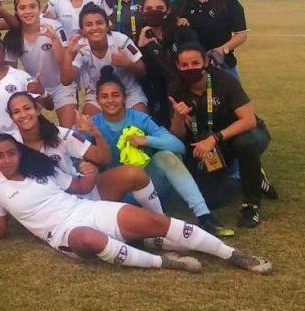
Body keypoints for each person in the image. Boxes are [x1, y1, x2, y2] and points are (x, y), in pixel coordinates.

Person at [0, 134, 271, 274]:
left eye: (10, 153)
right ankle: (165, 262)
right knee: (89, 239)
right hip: (62, 233)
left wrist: (92, 171)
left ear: (18, 153)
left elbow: (79, 187)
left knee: (154, 222)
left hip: (86, 209)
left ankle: (233, 255)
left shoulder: (42, 168)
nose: (6, 159)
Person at [91, 71, 233, 237]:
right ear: (98, 101)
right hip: (118, 192)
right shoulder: (93, 123)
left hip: (149, 187)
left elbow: (178, 146)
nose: (110, 101)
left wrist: (147, 140)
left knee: (166, 156)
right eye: (104, 96)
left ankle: (204, 216)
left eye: (115, 95)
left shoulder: (139, 118)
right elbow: (74, 153)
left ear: (124, 98)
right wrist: (85, 163)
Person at [168, 43, 276, 228]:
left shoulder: (224, 81)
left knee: (245, 143)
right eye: (184, 65)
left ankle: (251, 205)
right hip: (214, 143)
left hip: (245, 132)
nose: (190, 68)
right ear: (178, 66)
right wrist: (178, 117)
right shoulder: (176, 88)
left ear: (206, 61)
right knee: (211, 200)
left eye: (195, 63)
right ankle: (252, 175)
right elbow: (177, 134)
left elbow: (248, 120)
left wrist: (214, 138)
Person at [6, 91, 163, 210]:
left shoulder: (60, 134)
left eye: (27, 108)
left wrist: (96, 134)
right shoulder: (9, 144)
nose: (23, 115)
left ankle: (159, 224)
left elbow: (103, 158)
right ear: (11, 117)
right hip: (52, 207)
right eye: (16, 112)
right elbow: (2, 182)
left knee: (134, 173)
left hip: (82, 192)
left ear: (38, 110)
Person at [4, 0, 77, 128]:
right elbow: (10, 72)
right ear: (16, 12)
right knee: (27, 127)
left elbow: (64, 63)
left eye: (32, 7)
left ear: (39, 9)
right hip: (36, 87)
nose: (28, 11)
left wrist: (54, 40)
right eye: (22, 8)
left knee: (69, 132)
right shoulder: (13, 36)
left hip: (61, 85)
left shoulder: (53, 26)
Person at [61, 3, 147, 114]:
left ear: (107, 26)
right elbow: (66, 81)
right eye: (88, 24)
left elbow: (142, 71)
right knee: (88, 123)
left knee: (139, 121)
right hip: (98, 94)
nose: (95, 28)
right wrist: (68, 55)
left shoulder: (120, 40)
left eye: (99, 23)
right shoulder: (79, 47)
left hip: (128, 91)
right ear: (81, 30)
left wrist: (127, 64)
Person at [172, 0, 247, 76]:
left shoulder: (228, 2)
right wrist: (176, 21)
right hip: (190, 70)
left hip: (223, 66)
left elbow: (241, 34)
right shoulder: (178, 5)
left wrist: (221, 50)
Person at [135, 0, 195, 126]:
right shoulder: (139, 35)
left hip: (184, 92)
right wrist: (142, 48)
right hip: (156, 97)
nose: (154, 12)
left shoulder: (181, 31)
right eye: (149, 9)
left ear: (168, 11)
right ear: (142, 11)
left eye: (159, 8)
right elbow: (141, 74)